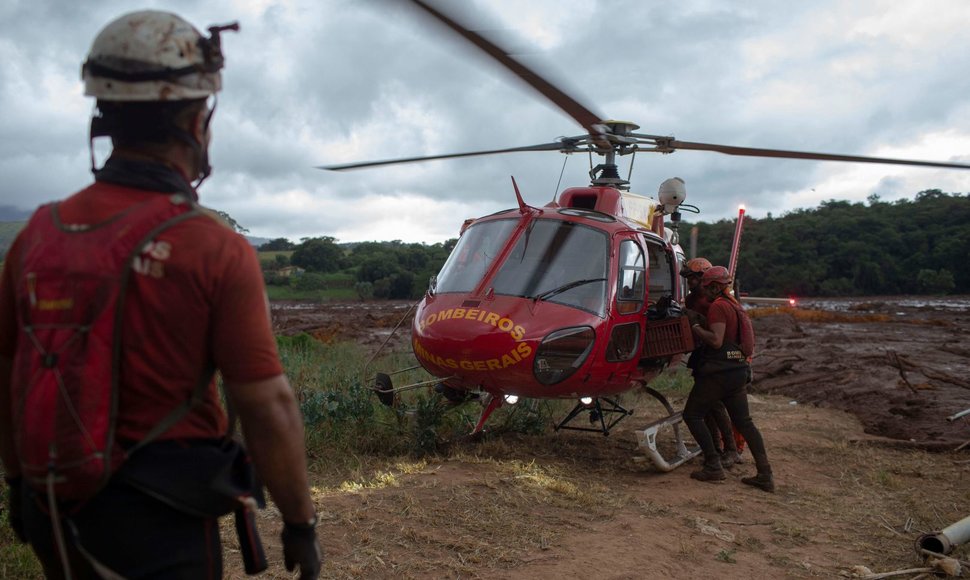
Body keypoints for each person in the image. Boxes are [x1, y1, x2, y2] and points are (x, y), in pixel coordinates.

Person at [0, 10, 322, 578]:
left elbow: (8, 377)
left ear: (104, 117)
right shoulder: (213, 247)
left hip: (53, 505)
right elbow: (266, 404)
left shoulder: (35, 237)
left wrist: (20, 484)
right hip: (158, 521)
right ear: (197, 120)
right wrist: (299, 522)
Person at [684, 266, 774, 492]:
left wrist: (694, 326)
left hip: (718, 373)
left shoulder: (718, 307)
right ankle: (765, 474)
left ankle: (713, 465)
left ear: (715, 287)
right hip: (738, 371)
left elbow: (715, 340)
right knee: (745, 422)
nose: (703, 291)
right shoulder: (735, 305)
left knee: (692, 414)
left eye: (706, 287)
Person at [681, 258, 742, 468]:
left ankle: (729, 450)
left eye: (691, 279)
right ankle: (716, 447)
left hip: (720, 357)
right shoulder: (691, 300)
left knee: (715, 404)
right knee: (707, 406)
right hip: (703, 353)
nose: (689, 284)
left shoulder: (718, 302)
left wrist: (696, 322)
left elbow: (720, 332)